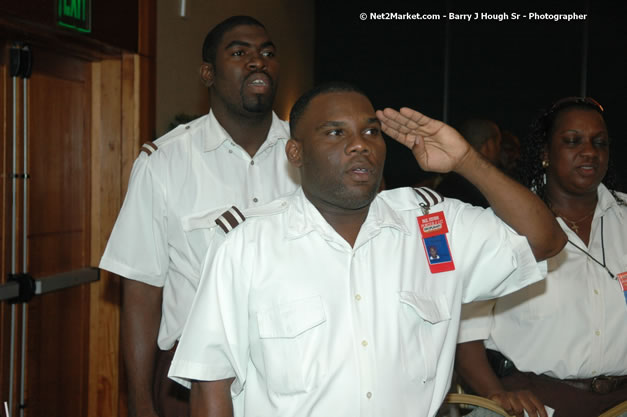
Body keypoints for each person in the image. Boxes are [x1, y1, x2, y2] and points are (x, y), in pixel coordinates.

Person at [168, 82, 566, 417]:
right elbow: (210, 383)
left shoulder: (434, 227)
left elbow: (545, 240)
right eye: (336, 133)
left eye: (371, 132)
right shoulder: (249, 245)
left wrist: (465, 160)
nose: (360, 145)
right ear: (296, 153)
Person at [98, 16, 300, 417]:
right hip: (190, 378)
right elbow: (141, 289)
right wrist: (139, 401)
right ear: (208, 73)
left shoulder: (309, 153)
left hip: (297, 372)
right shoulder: (166, 162)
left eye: (267, 53)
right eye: (240, 53)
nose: (258, 61)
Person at [455, 97, 627, 417]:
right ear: (546, 154)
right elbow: (466, 333)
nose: (589, 151)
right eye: (573, 141)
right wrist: (496, 394)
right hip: (536, 404)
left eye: (599, 142)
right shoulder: (502, 225)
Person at [436, 118, 502, 208]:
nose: (500, 150)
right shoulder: (493, 187)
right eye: (498, 143)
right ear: (489, 145)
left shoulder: (446, 185)